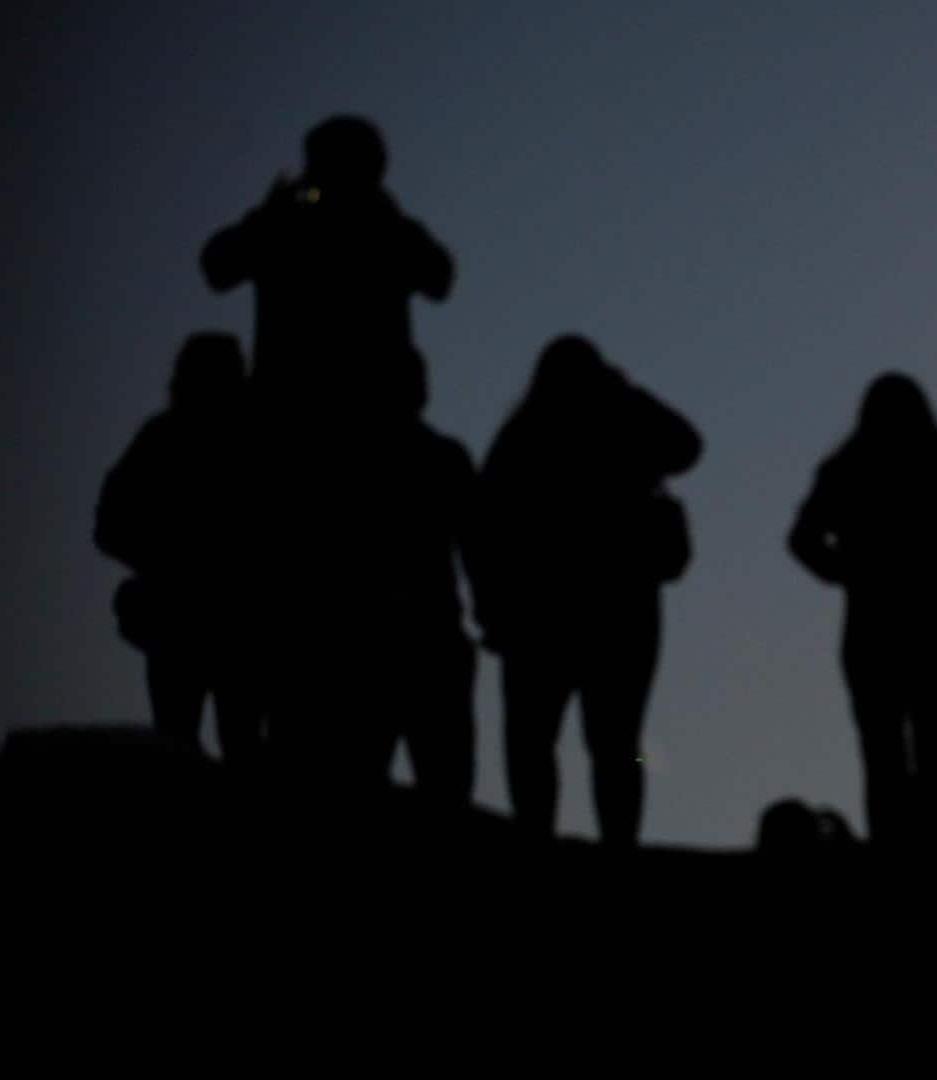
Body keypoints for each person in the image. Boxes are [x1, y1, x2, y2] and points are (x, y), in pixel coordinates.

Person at [468, 336, 701, 845]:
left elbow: (687, 446)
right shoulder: (577, 428)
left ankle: (549, 835)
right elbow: (685, 444)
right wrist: (627, 395)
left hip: (553, 613)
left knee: (556, 741)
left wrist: (491, 609)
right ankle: (609, 841)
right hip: (604, 610)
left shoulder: (524, 434)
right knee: (607, 741)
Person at [789, 374, 937, 851]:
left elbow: (803, 540)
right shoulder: (935, 458)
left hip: (876, 622)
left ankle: (900, 856)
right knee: (933, 754)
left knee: (887, 753)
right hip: (924, 621)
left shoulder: (849, 466)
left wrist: (849, 573)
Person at [254, 346, 476, 800]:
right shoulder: (437, 458)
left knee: (369, 778)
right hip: (406, 637)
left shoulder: (338, 463)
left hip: (376, 638)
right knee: (434, 780)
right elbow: (482, 546)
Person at [201, 115, 453, 413]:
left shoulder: (383, 226)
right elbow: (217, 267)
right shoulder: (288, 220)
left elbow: (439, 278)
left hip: (367, 408)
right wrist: (270, 216)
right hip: (304, 404)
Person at [96, 332, 263, 762]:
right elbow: (109, 525)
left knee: (235, 744)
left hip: (236, 619)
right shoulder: (164, 438)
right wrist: (165, 563)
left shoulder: (250, 439)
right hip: (183, 618)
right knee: (177, 744)